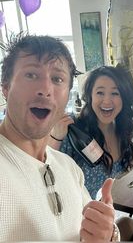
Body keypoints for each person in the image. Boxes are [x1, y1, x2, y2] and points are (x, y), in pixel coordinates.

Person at [0, 33, 117, 241]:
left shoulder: (69, 167)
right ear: (6, 87)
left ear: (67, 97)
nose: (45, 89)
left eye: (57, 79)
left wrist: (109, 234)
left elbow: (89, 234)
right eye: (31, 75)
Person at [50, 66, 133, 199]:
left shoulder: (121, 130)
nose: (107, 101)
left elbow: (118, 174)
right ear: (90, 96)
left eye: (115, 93)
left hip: (91, 210)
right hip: (66, 211)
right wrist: (55, 138)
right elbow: (47, 175)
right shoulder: (72, 129)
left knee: (128, 221)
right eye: (100, 93)